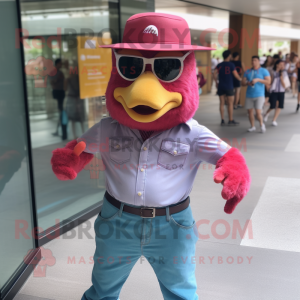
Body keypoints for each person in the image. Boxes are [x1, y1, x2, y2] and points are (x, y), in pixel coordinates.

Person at [50, 12, 251, 300]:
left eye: (167, 68)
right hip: (116, 222)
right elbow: (80, 150)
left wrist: (235, 173)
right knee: (102, 290)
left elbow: (229, 157)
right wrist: (69, 159)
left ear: (188, 73)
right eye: (130, 66)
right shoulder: (108, 128)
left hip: (172, 226)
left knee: (180, 291)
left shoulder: (192, 133)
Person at [242, 55, 271, 133]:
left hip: (259, 95)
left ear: (258, 61)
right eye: (252, 60)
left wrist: (258, 80)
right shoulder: (247, 71)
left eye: (255, 60)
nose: (253, 62)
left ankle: (262, 125)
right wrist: (248, 83)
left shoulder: (264, 70)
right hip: (249, 94)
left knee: (258, 112)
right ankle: (252, 126)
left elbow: (268, 81)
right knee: (250, 112)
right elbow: (243, 82)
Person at [213, 50, 242, 126]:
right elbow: (236, 75)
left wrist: (216, 82)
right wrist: (241, 79)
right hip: (229, 86)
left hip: (221, 86)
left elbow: (214, 73)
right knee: (230, 104)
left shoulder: (219, 65)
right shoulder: (231, 65)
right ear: (229, 56)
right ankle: (230, 119)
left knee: (221, 103)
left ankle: (222, 120)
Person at [263, 60, 288, 126]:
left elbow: (285, 85)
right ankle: (266, 113)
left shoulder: (284, 73)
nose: (282, 66)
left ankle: (274, 120)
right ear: (277, 65)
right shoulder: (272, 72)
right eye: (281, 64)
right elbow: (269, 82)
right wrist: (268, 87)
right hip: (273, 91)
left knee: (279, 106)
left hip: (281, 91)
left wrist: (281, 77)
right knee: (272, 106)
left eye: (283, 65)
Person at [65, 67, 85, 139]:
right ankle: (82, 134)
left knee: (75, 118)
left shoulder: (74, 78)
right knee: (78, 118)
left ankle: (76, 136)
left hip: (73, 98)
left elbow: (65, 88)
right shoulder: (78, 78)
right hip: (76, 98)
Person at [50, 58, 65, 137]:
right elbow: (52, 82)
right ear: (57, 64)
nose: (61, 65)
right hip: (57, 92)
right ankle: (59, 129)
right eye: (60, 63)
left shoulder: (60, 72)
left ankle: (59, 129)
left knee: (61, 111)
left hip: (60, 92)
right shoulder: (54, 72)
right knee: (60, 111)